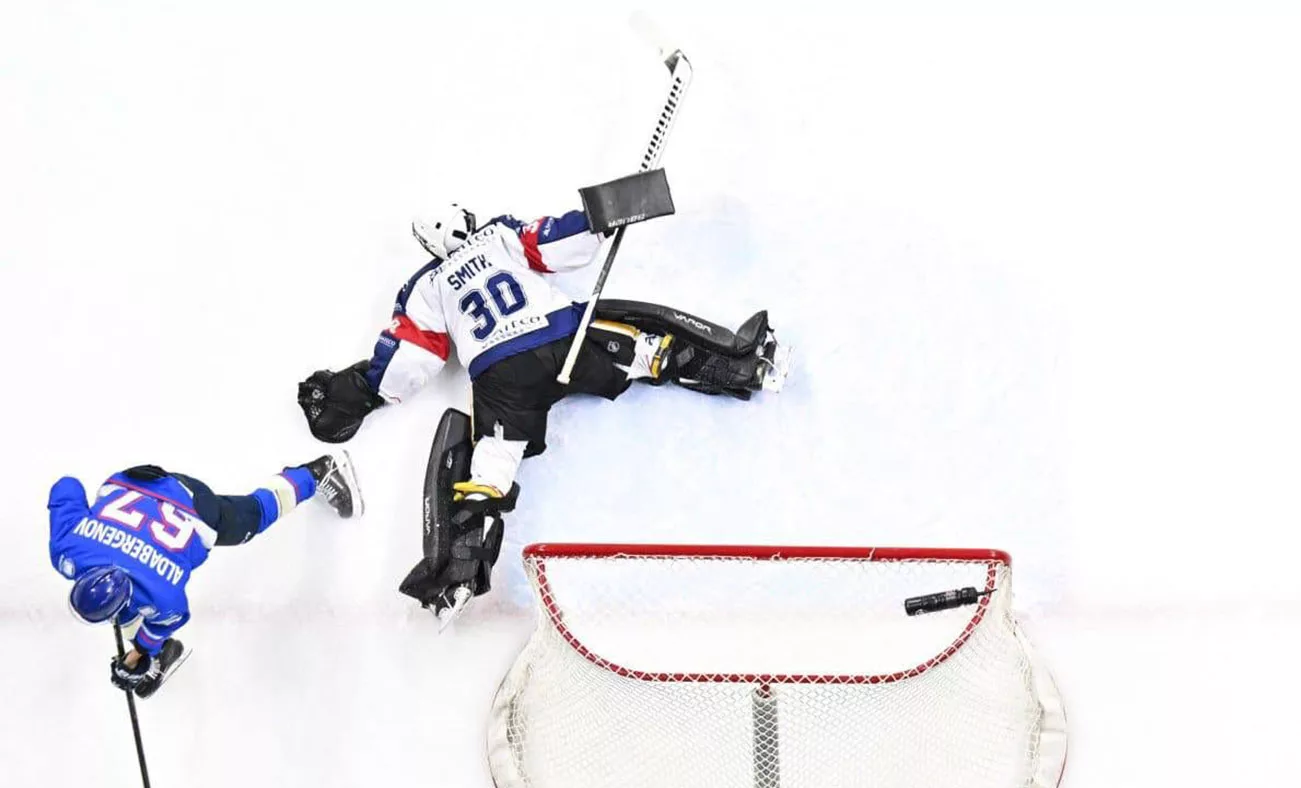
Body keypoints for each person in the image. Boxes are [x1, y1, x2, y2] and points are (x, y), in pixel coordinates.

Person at [296, 203, 790, 623]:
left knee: (492, 464)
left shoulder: (425, 286)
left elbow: (411, 359)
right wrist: (598, 220)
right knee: (644, 349)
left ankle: (457, 577)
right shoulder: (498, 235)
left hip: (500, 374)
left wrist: (365, 389)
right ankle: (747, 368)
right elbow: (554, 243)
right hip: (558, 339)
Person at [48, 452, 363, 698]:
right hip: (135, 482)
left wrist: (141, 655)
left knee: (254, 516)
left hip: (193, 505)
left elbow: (161, 624)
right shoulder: (68, 547)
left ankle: (317, 472)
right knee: (135, 609)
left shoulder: (163, 596)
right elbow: (67, 486)